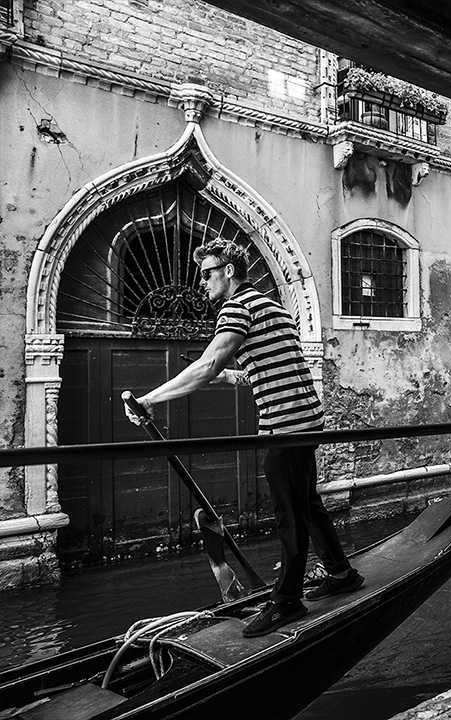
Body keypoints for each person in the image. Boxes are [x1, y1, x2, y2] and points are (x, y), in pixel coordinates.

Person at [125, 239, 364, 638]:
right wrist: (234, 374)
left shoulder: (236, 308)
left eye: (207, 274)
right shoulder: (273, 307)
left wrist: (149, 400)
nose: (202, 283)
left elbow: (208, 363)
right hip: (306, 420)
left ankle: (287, 601)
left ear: (229, 271)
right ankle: (341, 572)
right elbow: (271, 363)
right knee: (307, 502)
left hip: (286, 425)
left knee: (290, 515)